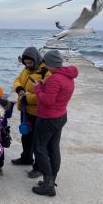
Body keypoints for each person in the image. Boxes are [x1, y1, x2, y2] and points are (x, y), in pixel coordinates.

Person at [31, 50, 78, 196]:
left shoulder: (54, 79)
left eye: (45, 62)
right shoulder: (67, 77)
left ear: (50, 63)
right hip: (60, 116)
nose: (44, 65)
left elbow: (47, 101)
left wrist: (38, 88)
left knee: (39, 149)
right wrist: (44, 85)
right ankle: (50, 180)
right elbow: (56, 95)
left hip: (48, 118)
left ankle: (48, 184)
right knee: (53, 147)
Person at [12, 47, 51, 178]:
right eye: (26, 63)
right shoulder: (26, 69)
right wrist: (19, 88)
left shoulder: (45, 72)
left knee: (37, 142)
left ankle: (39, 167)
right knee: (26, 136)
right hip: (25, 110)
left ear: (36, 60)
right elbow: (17, 79)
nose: (28, 65)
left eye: (30, 63)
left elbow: (45, 96)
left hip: (37, 113)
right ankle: (26, 158)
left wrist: (27, 98)